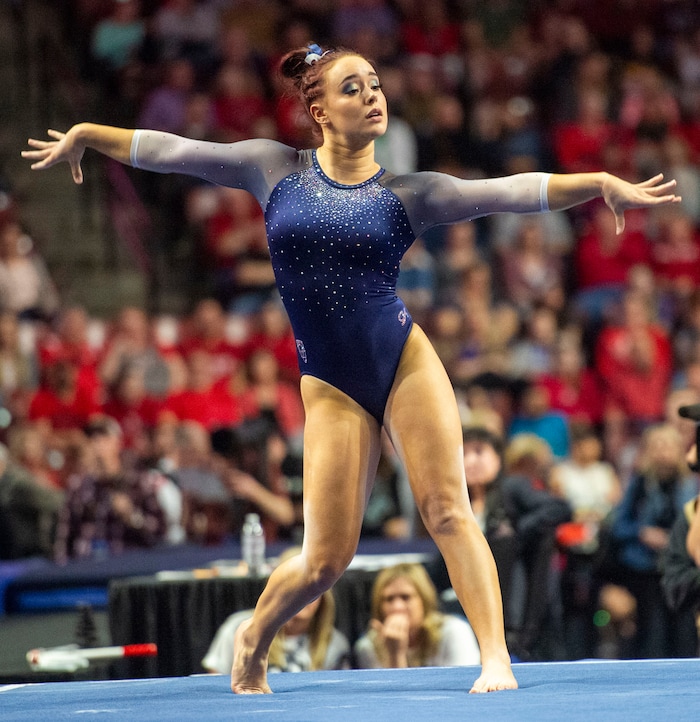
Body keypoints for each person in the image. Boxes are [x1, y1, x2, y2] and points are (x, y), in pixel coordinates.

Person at [22, 42, 682, 694]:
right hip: (331, 383)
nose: (372, 97)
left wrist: (596, 183)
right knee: (324, 559)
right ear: (318, 111)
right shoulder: (271, 168)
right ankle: (253, 638)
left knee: (450, 511)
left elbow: (512, 192)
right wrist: (88, 132)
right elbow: (170, 152)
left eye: (375, 85)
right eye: (353, 88)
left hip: (403, 360)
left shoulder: (410, 192)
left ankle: (494, 659)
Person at [202, 548, 350, 675]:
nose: (304, 598)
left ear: (324, 596)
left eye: (312, 591)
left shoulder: (334, 643)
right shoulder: (239, 628)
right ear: (277, 591)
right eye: (295, 589)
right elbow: (217, 684)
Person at [354, 562, 480, 669]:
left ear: (424, 600)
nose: (397, 607)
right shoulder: (368, 647)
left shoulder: (454, 632)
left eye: (406, 597)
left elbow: (463, 687)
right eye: (389, 599)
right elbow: (392, 697)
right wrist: (395, 655)